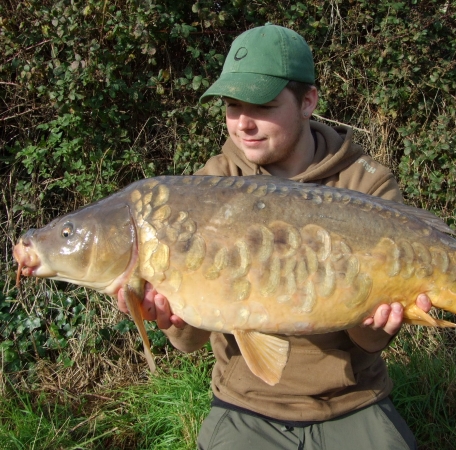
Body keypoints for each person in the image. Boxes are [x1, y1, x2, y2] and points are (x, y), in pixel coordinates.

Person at [118, 23, 432, 450]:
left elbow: (373, 340)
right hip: (246, 402)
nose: (243, 123)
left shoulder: (364, 184)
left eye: (261, 105)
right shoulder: (206, 189)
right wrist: (168, 317)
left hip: (352, 399)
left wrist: (379, 321)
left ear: (308, 102)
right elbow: (190, 341)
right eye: (232, 105)